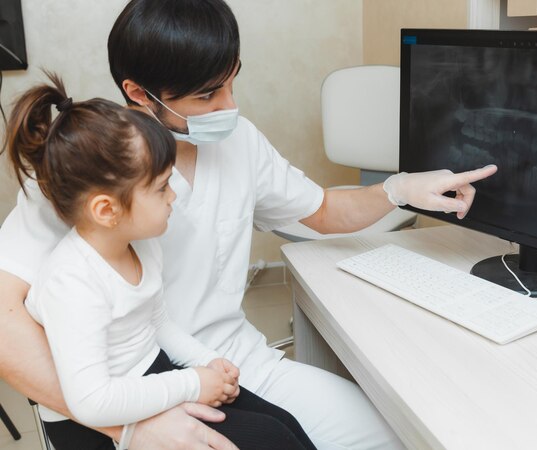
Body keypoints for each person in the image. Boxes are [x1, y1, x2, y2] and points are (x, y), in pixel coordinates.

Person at [0, 0, 497, 448]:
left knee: (391, 436)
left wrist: (398, 191)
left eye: (232, 81)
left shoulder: (240, 143)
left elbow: (321, 210)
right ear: (140, 93)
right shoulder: (86, 171)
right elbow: (5, 323)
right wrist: (129, 428)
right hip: (123, 385)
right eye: (208, 95)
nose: (230, 107)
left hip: (233, 363)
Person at [4, 74, 316, 450]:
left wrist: (208, 362)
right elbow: (92, 401)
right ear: (107, 210)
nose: (174, 197)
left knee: (283, 424)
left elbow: (157, 321)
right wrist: (192, 383)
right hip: (92, 419)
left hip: (146, 374)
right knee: (271, 440)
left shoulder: (141, 245)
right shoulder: (72, 281)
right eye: (161, 187)